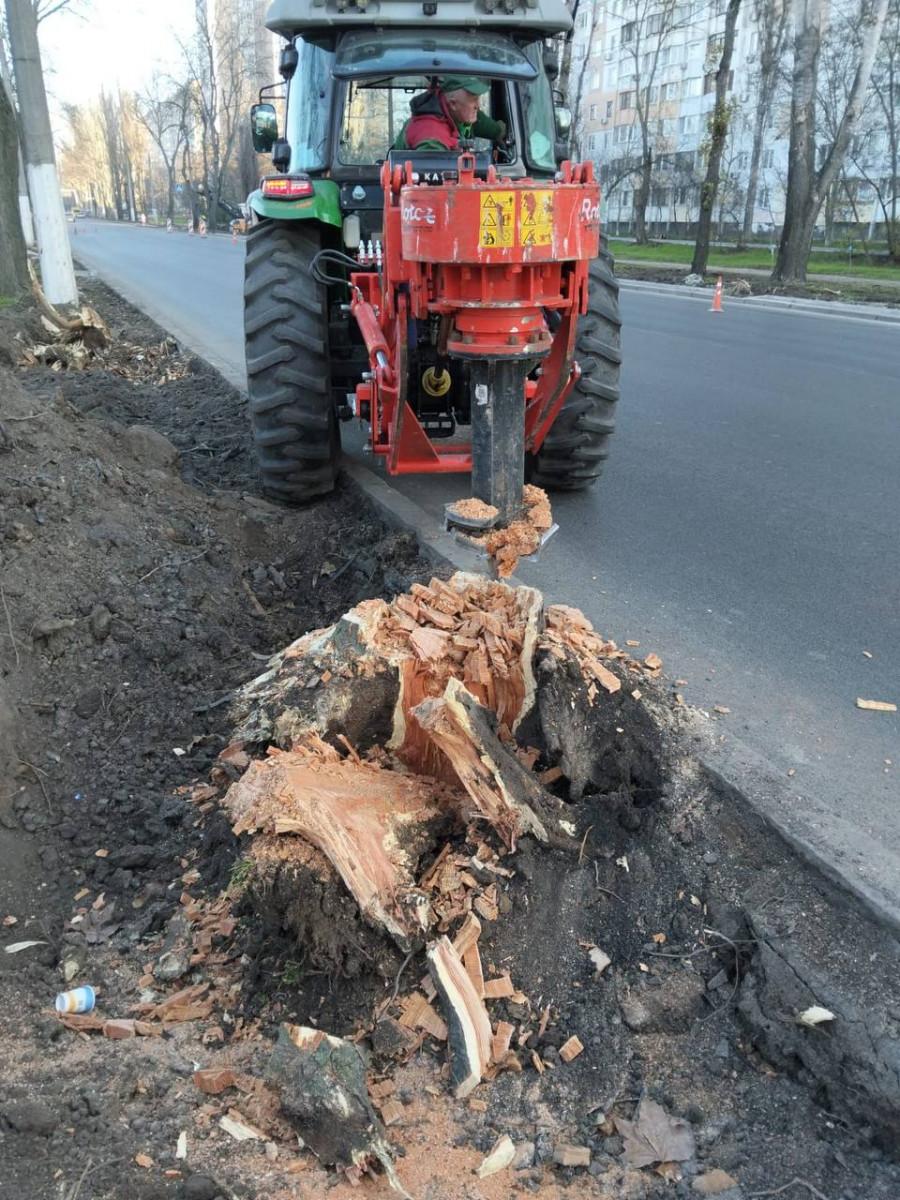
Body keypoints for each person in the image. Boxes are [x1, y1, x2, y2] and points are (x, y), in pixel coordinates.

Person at [393, 76, 507, 152]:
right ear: (453, 104)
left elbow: (490, 127)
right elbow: (432, 184)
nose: (478, 105)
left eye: (478, 99)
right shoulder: (432, 139)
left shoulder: (458, 114)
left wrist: (501, 131)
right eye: (473, 99)